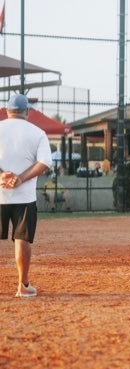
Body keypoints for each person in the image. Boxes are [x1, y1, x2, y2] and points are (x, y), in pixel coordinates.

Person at [0, 94, 52, 297]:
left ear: (6, 111)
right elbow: (44, 162)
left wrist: (2, 174)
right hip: (25, 198)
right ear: (27, 112)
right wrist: (20, 179)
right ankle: (23, 285)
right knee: (22, 240)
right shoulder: (38, 132)